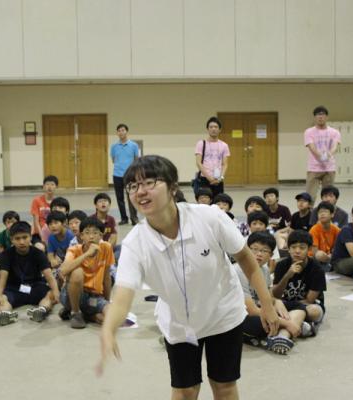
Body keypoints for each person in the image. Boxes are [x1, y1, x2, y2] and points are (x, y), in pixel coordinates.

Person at [97, 155, 278, 400]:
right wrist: (108, 329)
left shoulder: (209, 218)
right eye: (133, 186)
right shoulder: (135, 244)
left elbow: (246, 259)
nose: (140, 191)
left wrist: (266, 305)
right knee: (185, 390)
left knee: (224, 386)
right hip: (180, 323)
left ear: (173, 187)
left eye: (149, 182)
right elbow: (122, 295)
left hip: (223, 313)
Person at [239, 232, 302, 355]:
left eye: (264, 251)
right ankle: (292, 327)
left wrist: (276, 302)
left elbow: (269, 297)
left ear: (271, 255)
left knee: (299, 306)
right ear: (247, 250)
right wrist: (287, 323)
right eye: (254, 249)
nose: (259, 254)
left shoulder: (265, 269)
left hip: (261, 308)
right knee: (256, 323)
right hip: (242, 315)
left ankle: (282, 335)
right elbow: (251, 310)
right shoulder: (238, 271)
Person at [0, 221, 60, 326]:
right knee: (2, 298)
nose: (22, 242)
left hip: (35, 287)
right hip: (14, 288)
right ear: (12, 240)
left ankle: (42, 310)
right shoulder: (5, 255)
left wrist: (55, 291)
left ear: (30, 237)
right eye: (17, 238)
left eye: (25, 237)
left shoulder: (39, 254)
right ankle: (5, 314)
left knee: (50, 294)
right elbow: (2, 278)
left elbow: (49, 276)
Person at [58, 217, 114, 329]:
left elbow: (106, 277)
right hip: (72, 294)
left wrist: (107, 301)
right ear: (82, 236)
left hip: (94, 296)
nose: (91, 236)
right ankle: (75, 313)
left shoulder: (106, 248)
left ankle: (87, 315)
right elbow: (63, 271)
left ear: (101, 236)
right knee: (77, 272)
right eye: (87, 233)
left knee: (111, 318)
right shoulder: (73, 249)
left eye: (95, 233)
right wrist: (87, 254)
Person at [272, 230, 326, 337]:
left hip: (307, 306)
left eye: (302, 248)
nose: (297, 251)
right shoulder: (281, 265)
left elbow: (309, 300)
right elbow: (276, 295)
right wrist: (287, 275)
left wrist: (287, 308)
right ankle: (302, 326)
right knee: (269, 306)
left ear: (309, 249)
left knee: (314, 311)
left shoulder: (317, 269)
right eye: (293, 247)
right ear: (288, 249)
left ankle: (285, 327)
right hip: (286, 304)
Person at [304, 106, 341, 201]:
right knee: (310, 196)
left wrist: (328, 155)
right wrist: (321, 156)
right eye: (318, 115)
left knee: (328, 197)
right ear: (314, 117)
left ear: (327, 117)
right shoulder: (309, 132)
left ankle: (327, 210)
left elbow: (335, 146)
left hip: (329, 168)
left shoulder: (334, 132)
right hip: (313, 168)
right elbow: (311, 147)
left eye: (323, 114)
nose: (320, 117)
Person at [111, 123, 139, 226]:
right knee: (120, 198)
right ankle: (124, 218)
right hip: (117, 175)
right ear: (117, 133)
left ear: (126, 131)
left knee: (132, 196)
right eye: (119, 130)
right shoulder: (114, 146)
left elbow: (136, 159)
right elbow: (113, 160)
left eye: (123, 130)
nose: (121, 132)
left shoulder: (134, 145)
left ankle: (134, 218)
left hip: (130, 175)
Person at [194, 116, 230, 198]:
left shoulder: (224, 145)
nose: (213, 129)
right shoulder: (201, 144)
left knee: (218, 202)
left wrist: (221, 178)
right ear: (207, 129)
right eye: (211, 127)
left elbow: (225, 164)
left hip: (218, 180)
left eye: (216, 127)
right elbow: (198, 163)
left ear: (220, 129)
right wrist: (209, 178)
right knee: (204, 203)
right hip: (204, 179)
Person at [308, 202, 340, 270]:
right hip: (313, 258)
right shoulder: (314, 229)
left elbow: (337, 249)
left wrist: (331, 256)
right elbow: (315, 252)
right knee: (319, 255)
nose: (322, 214)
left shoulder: (337, 230)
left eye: (325, 212)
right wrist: (327, 257)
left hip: (329, 257)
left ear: (332, 214)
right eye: (320, 212)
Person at [30, 175, 58, 246]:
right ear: (43, 186)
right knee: (40, 247)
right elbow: (36, 222)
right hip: (39, 234)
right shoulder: (36, 201)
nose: (49, 187)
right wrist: (42, 236)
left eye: (52, 184)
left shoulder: (58, 202)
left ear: (56, 187)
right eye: (47, 184)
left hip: (54, 233)